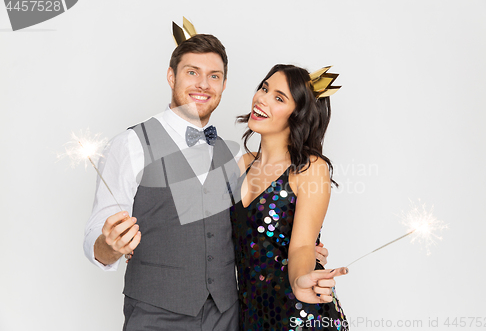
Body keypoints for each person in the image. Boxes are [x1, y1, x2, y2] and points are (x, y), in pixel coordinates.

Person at [83, 33, 330, 330]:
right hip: (154, 317)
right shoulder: (130, 144)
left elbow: (266, 223)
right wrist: (110, 247)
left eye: (214, 76)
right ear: (171, 76)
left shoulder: (237, 156)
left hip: (228, 317)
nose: (203, 84)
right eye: (192, 72)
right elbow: (97, 237)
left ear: (224, 85)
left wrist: (302, 253)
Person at [231, 64, 349, 330]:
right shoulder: (239, 165)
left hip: (301, 317)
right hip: (251, 317)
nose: (262, 98)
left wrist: (300, 280)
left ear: (297, 114)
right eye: (264, 87)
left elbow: (302, 247)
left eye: (279, 97)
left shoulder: (310, 168)